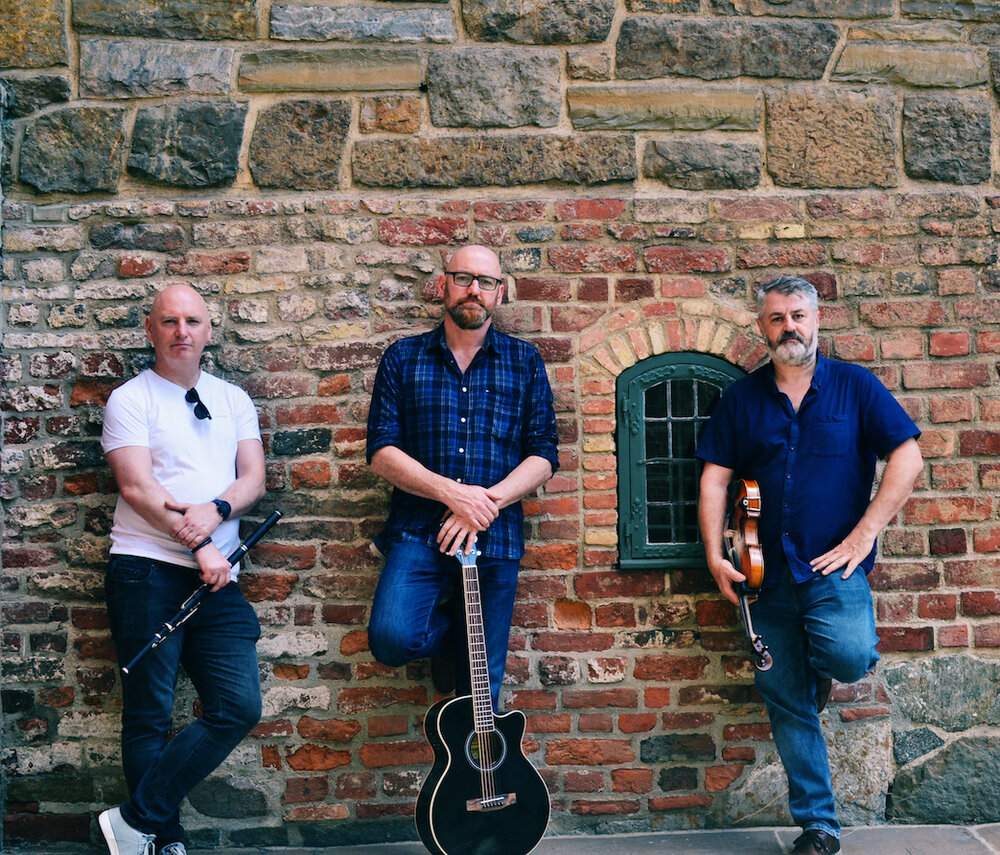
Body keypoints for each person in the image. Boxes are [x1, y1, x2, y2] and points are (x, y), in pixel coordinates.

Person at [696, 276, 923, 855]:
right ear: (762, 327)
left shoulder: (855, 386)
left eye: (798, 315)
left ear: (817, 319)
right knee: (786, 700)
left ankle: (814, 672)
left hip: (833, 569)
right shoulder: (741, 399)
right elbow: (715, 480)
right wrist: (714, 556)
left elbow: (908, 458)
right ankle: (819, 826)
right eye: (777, 318)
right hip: (761, 573)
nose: (788, 327)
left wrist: (863, 535)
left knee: (848, 655)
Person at [99, 284, 266, 855]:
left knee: (237, 706)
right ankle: (161, 841)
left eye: (192, 321)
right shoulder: (130, 399)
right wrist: (201, 545)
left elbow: (252, 479)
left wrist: (216, 510)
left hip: (218, 578)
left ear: (209, 330)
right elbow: (138, 488)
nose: (181, 332)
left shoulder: (233, 399)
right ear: (151, 330)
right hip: (146, 571)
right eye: (168, 321)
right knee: (149, 715)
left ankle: (136, 822)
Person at [366, 244, 559, 711]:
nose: (475, 289)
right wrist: (453, 495)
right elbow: (381, 452)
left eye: (486, 282)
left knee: (481, 689)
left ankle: (477, 764)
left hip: (495, 537)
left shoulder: (524, 361)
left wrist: (481, 506)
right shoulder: (403, 358)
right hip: (418, 531)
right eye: (463, 278)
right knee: (392, 638)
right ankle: (454, 635)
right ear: (443, 285)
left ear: (500, 293)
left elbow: (544, 454)